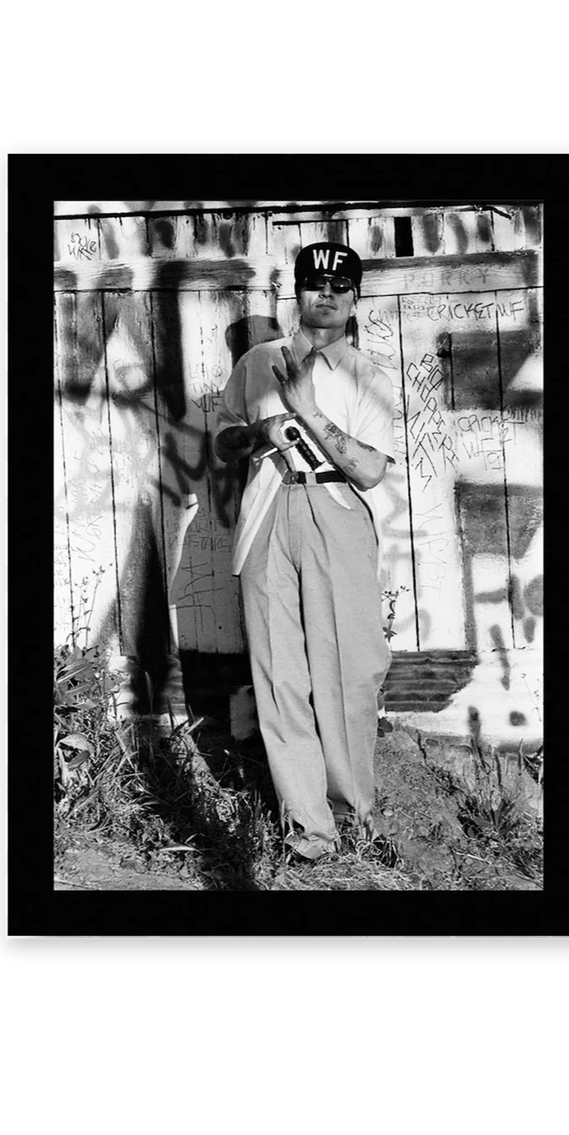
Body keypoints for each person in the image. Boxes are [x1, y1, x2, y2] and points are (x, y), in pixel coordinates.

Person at [214, 242, 396, 862]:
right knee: (279, 676)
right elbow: (223, 442)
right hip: (267, 513)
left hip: (336, 514)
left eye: (339, 286)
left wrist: (309, 413)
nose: (326, 294)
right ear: (296, 291)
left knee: (349, 671)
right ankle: (311, 829)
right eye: (314, 283)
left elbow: (369, 471)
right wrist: (257, 433)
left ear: (354, 297)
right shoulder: (258, 361)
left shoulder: (366, 375)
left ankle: (356, 814)